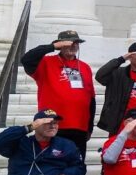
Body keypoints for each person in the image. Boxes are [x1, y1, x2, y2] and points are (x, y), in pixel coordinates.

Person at [21, 30, 96, 158]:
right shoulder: (46, 62)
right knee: (52, 166)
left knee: (76, 165)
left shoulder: (85, 67)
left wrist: (89, 128)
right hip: (53, 125)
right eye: (69, 43)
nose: (73, 46)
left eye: (76, 43)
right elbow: (26, 59)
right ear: (60, 45)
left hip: (79, 127)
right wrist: (52, 47)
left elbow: (91, 99)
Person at [96, 41, 136, 136]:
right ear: (130, 56)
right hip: (123, 124)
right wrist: (122, 59)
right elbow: (100, 76)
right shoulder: (118, 73)